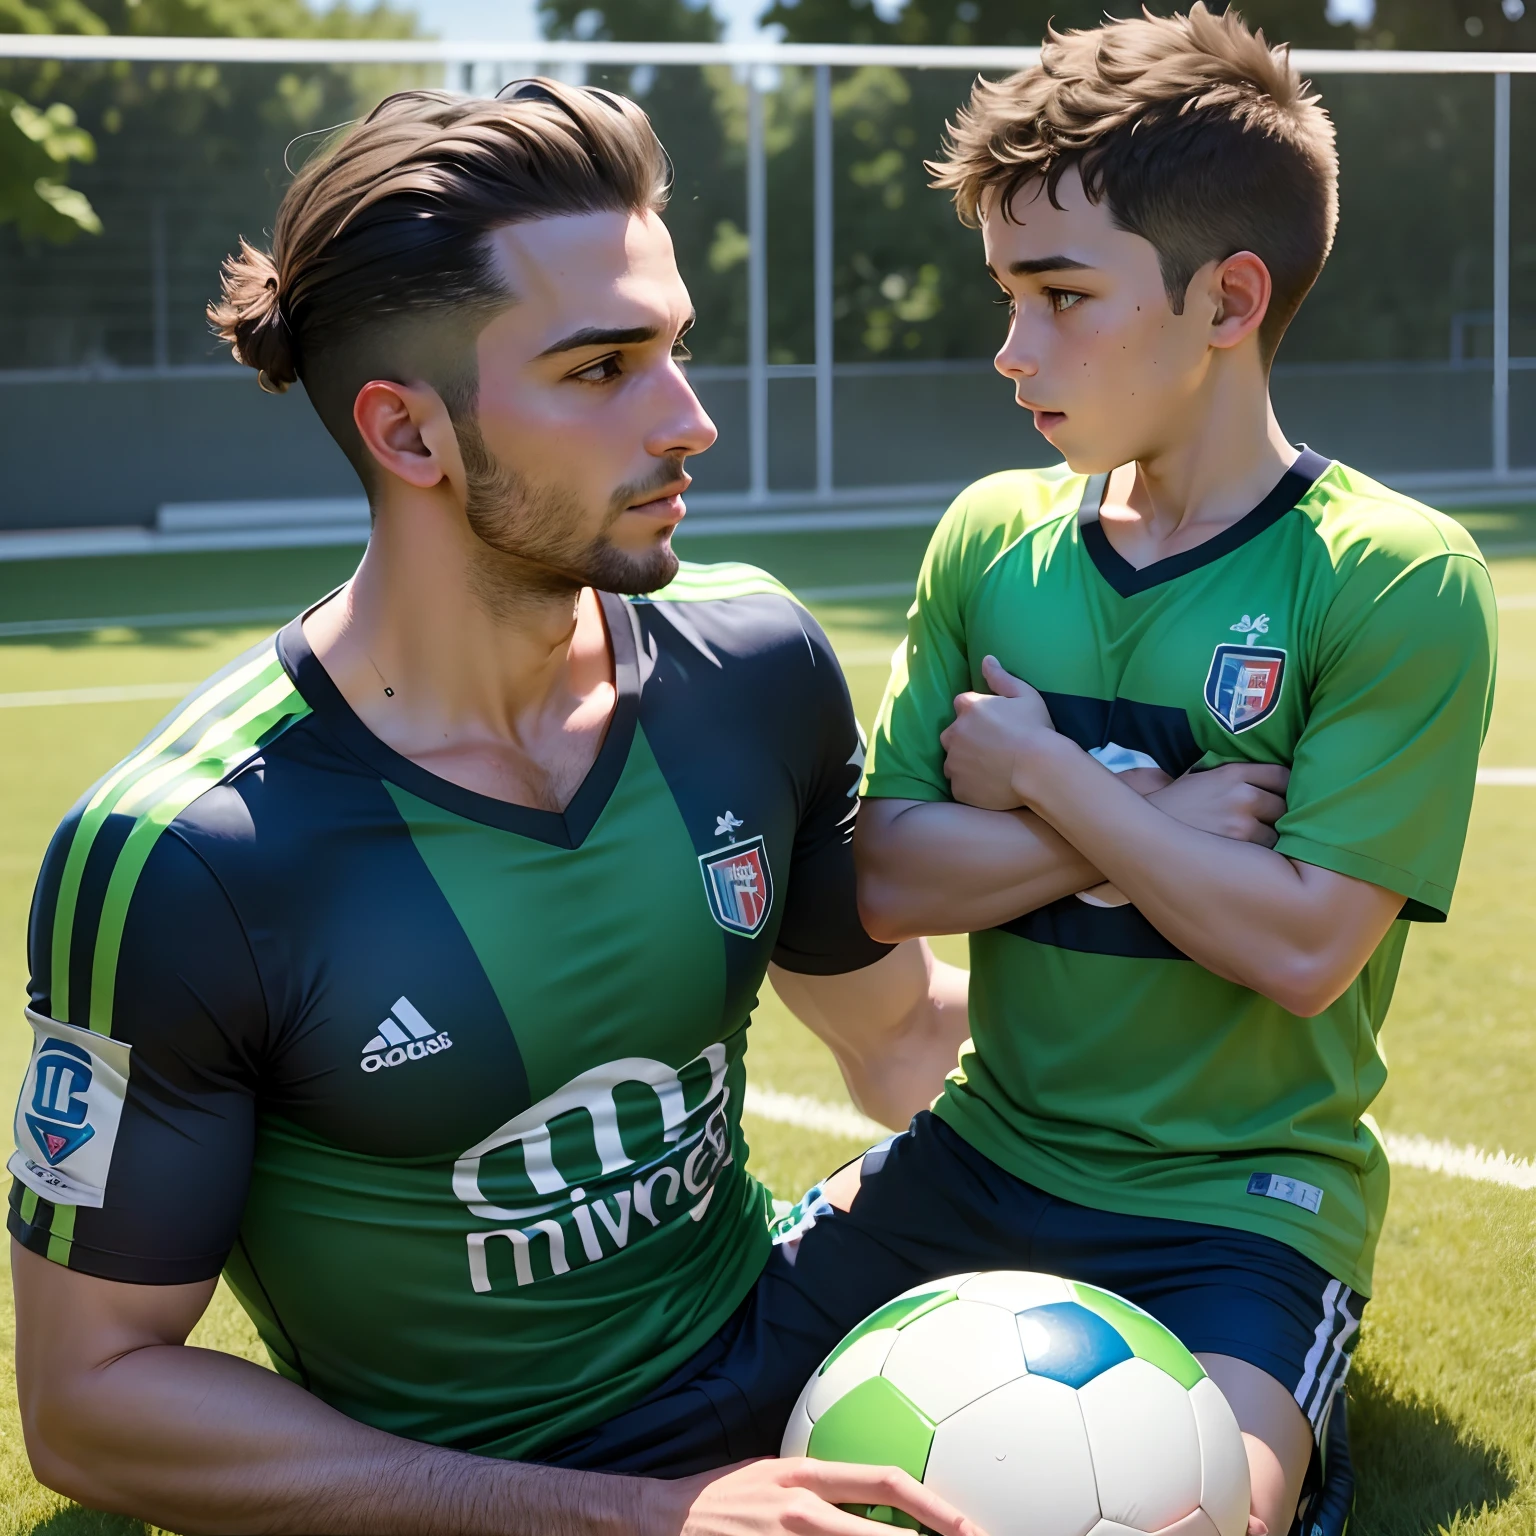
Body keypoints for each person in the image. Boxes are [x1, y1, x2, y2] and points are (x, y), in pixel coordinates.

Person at [8, 79, 992, 1536]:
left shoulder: (752, 665)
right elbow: (91, 1405)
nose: (692, 420)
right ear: (410, 435)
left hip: (778, 1330)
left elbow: (898, 1038)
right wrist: (649, 1521)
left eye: (676, 348)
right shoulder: (181, 857)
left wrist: (1161, 938)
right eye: (603, 369)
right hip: (504, 1486)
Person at [757, 8, 1496, 1536]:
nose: (1011, 347)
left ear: (1228, 299)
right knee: (667, 1398)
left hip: (1240, 1211)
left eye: (1060, 295)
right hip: (980, 1154)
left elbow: (1298, 943)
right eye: (1008, 296)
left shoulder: (1389, 576)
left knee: (1196, 1515)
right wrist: (1148, 819)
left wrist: (1044, 778)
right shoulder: (993, 537)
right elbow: (888, 878)